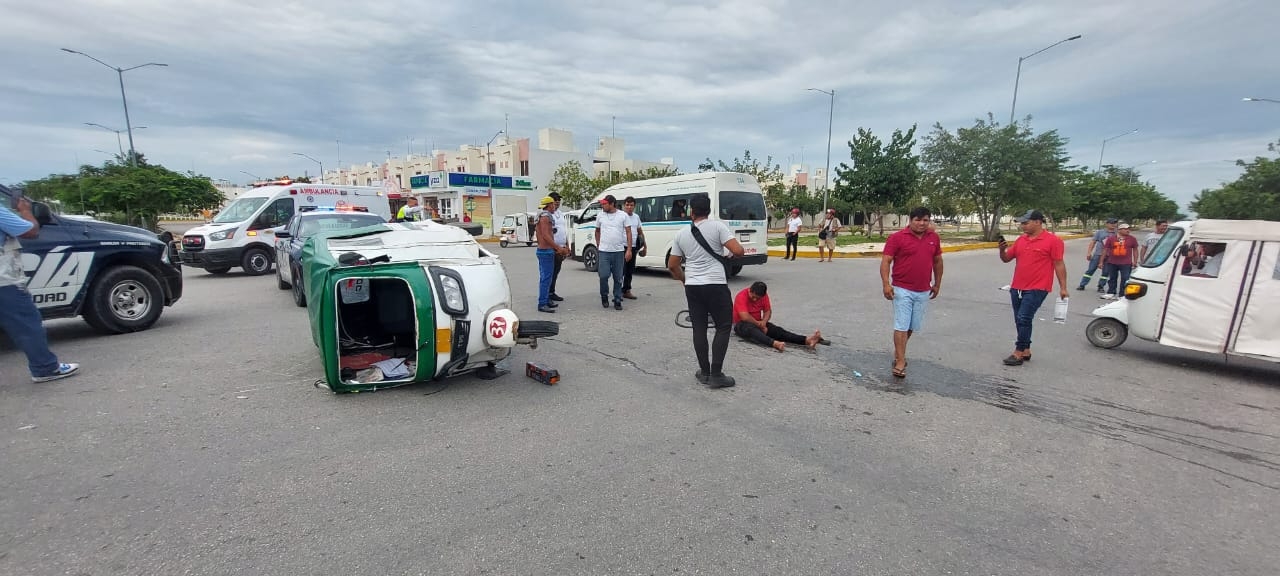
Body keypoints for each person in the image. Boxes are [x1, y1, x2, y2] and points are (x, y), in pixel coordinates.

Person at [668, 195, 745, 388]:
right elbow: (739, 250)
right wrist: (727, 253)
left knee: (699, 328)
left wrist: (685, 280)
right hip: (716, 285)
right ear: (708, 210)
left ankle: (704, 372)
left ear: (691, 212)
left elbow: (672, 265)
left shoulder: (681, 233)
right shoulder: (718, 227)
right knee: (724, 326)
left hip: (693, 286)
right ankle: (717, 374)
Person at [0, 196, 80, 383]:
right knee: (26, 323)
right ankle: (45, 367)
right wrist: (25, 210)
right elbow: (30, 231)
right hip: (4, 280)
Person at [998, 210, 1068, 366]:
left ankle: (1018, 352)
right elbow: (1006, 259)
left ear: (1038, 222)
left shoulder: (1053, 241)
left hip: (1038, 287)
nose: (1022, 226)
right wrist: (1002, 250)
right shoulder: (1021, 240)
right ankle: (1026, 349)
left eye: (1025, 223)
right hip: (1017, 286)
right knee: (1020, 319)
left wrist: (1063, 287)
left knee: (1024, 318)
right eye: (1021, 223)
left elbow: (1059, 264)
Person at [880, 207, 944, 378]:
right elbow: (886, 261)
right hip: (902, 288)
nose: (922, 223)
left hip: (923, 289)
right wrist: (886, 284)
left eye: (925, 220)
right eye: (918, 220)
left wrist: (937, 284)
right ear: (910, 220)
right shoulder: (897, 238)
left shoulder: (933, 238)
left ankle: (898, 352)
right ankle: (900, 361)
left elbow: (937, 261)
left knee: (911, 326)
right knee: (901, 324)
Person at [732, 282, 821, 352]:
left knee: (778, 331)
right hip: (741, 324)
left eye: (758, 298)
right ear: (750, 291)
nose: (755, 300)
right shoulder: (741, 296)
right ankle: (774, 343)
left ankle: (807, 340)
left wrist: (763, 322)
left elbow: (768, 311)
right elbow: (744, 316)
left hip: (758, 322)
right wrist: (759, 325)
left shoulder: (763, 296)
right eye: (753, 297)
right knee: (752, 330)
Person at [594, 194, 632, 310]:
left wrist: (629, 249)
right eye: (602, 203)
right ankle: (604, 296)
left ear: (612, 204)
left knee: (618, 277)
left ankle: (617, 299)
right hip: (604, 252)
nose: (603, 205)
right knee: (604, 275)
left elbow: (629, 232)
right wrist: (599, 244)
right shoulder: (600, 215)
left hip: (618, 251)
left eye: (605, 204)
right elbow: (597, 231)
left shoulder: (623, 215)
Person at [534, 196, 566, 313]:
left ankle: (546, 300)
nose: (555, 206)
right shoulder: (545, 217)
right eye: (553, 204)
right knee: (546, 278)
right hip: (545, 251)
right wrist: (557, 248)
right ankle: (542, 303)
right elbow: (546, 236)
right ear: (548, 206)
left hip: (545, 250)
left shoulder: (542, 216)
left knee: (547, 277)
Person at [1100, 223, 1140, 299]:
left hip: (1126, 263)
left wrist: (1135, 261)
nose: (1128, 230)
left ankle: (1122, 294)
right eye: (1125, 229)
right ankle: (1111, 292)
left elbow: (1135, 250)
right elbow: (1105, 250)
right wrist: (1101, 261)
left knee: (1125, 278)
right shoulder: (1111, 238)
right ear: (1119, 230)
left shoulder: (1132, 239)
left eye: (1128, 229)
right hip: (1112, 262)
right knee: (1112, 278)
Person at [1077, 218, 1117, 292]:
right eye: (1111, 223)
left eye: (1115, 223)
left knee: (1106, 272)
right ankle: (1082, 284)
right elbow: (1093, 242)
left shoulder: (1117, 233)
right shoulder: (1100, 232)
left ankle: (1101, 286)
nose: (1113, 225)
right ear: (1107, 224)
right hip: (1098, 254)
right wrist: (1089, 253)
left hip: (1110, 256)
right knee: (1090, 270)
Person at [620, 196, 646, 300]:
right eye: (627, 205)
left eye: (631, 205)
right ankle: (618, 291)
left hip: (634, 247)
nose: (629, 207)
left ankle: (627, 290)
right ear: (624, 206)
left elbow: (640, 232)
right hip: (622, 247)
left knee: (630, 270)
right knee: (621, 270)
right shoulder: (620, 216)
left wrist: (645, 246)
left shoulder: (636, 217)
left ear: (634, 206)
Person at [547, 192, 568, 303]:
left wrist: (567, 244)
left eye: (559, 199)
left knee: (556, 271)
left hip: (561, 246)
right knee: (550, 272)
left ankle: (552, 292)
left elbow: (564, 229)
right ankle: (547, 294)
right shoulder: (548, 214)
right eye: (555, 199)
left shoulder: (560, 213)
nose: (557, 201)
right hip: (552, 247)